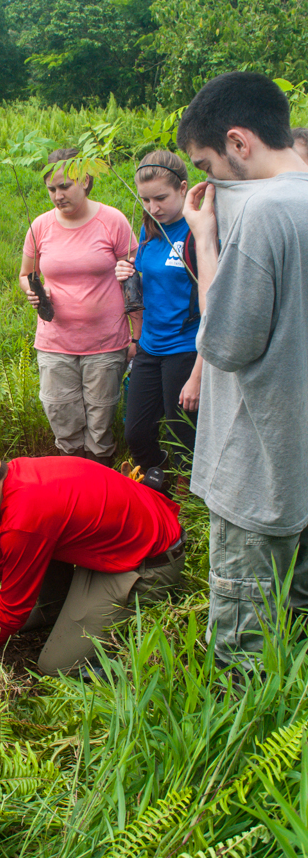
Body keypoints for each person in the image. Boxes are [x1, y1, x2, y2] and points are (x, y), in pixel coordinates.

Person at [177, 70, 308, 669]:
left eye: (204, 165)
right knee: (297, 625)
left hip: (258, 470)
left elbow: (226, 344)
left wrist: (204, 239)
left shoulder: (262, 215)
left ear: (238, 141)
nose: (206, 180)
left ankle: (241, 753)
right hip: (300, 464)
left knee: (245, 649)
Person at [0, 434, 184, 678]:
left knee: (56, 665)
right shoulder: (7, 482)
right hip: (121, 541)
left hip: (152, 562)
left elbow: (12, 611)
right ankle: (55, 607)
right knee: (27, 556)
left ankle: (131, 663)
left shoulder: (24, 518)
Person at [19, 148, 141, 466]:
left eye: (65, 187)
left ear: (84, 181)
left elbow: (135, 280)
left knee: (100, 415)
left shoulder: (112, 220)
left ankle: (101, 469)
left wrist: (136, 336)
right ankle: (72, 468)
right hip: (55, 340)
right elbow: (25, 274)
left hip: (105, 341)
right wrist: (33, 291)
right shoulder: (41, 226)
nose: (58, 196)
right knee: (60, 409)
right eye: (51, 189)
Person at [114, 150, 203, 476]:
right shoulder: (149, 228)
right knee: (136, 433)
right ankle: (158, 476)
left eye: (161, 198)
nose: (153, 207)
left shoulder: (199, 232)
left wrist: (198, 372)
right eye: (146, 200)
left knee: (182, 433)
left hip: (186, 346)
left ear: (183, 188)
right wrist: (127, 271)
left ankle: (187, 500)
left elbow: (214, 300)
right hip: (151, 344)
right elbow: (143, 282)